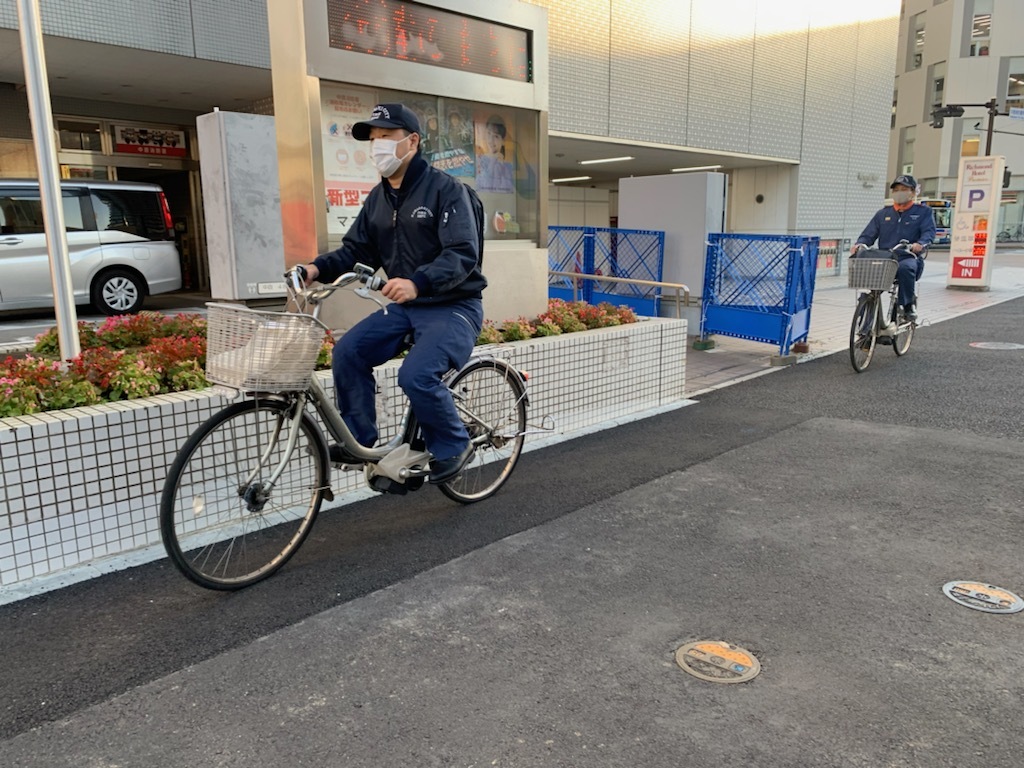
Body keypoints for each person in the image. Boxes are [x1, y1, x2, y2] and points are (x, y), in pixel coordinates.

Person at [303, 103, 486, 485]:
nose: (377, 146)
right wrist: (316, 268)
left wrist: (417, 281)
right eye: (373, 139)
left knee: (416, 375)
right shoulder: (378, 200)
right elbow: (356, 250)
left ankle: (453, 444)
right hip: (407, 307)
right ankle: (361, 442)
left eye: (386, 137)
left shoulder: (447, 191)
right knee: (348, 351)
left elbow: (462, 253)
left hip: (453, 306)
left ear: (412, 141)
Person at [850, 174, 935, 323]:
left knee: (905, 269)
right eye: (896, 189)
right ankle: (866, 325)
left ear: (914, 192)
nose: (899, 192)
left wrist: (920, 244)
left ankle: (908, 305)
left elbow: (929, 232)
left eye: (904, 189)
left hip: (907, 256)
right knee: (870, 285)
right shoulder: (883, 214)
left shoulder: (923, 212)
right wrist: (859, 244)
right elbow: (868, 234)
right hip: (885, 257)